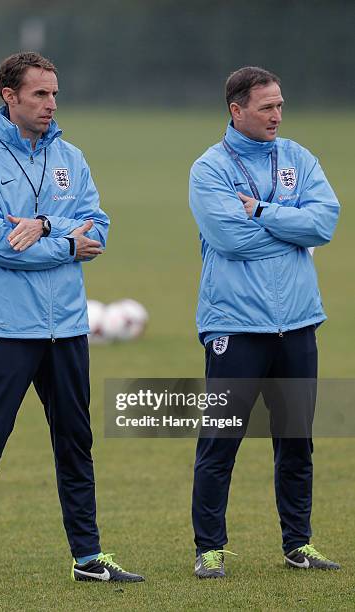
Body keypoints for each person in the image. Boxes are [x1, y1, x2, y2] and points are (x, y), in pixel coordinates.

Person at [0, 52, 144, 593]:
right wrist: (67, 246)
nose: (51, 104)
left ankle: (88, 556)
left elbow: (98, 228)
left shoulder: (71, 157)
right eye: (39, 94)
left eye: (54, 93)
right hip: (4, 327)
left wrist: (49, 226)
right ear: (9, 97)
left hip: (66, 329)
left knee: (75, 444)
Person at [189, 66, 340, 578]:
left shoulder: (299, 157)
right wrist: (291, 226)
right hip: (236, 326)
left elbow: (325, 223)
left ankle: (298, 544)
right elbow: (229, 240)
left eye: (281, 105)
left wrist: (262, 213)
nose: (277, 115)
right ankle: (209, 550)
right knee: (221, 441)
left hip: (297, 324)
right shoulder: (210, 169)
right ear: (236, 110)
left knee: (297, 441)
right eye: (266, 107)